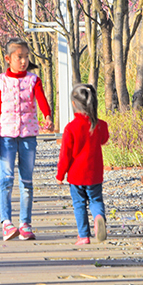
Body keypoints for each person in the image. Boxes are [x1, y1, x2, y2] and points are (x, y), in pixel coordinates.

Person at [0, 38, 53, 241]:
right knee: (6, 180)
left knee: (27, 181)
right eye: (19, 57)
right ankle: (6, 223)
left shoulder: (33, 80)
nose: (24, 61)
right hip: (6, 136)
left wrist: (47, 115)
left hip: (28, 135)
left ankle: (25, 224)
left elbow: (41, 98)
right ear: (8, 59)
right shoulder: (0, 81)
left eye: (26, 57)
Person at [56, 83, 109, 245]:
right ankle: (99, 217)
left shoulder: (71, 128)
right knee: (96, 200)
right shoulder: (100, 125)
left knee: (79, 204)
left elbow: (65, 155)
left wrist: (60, 175)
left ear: (74, 103)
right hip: (94, 173)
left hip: (76, 175)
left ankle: (83, 236)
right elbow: (104, 139)